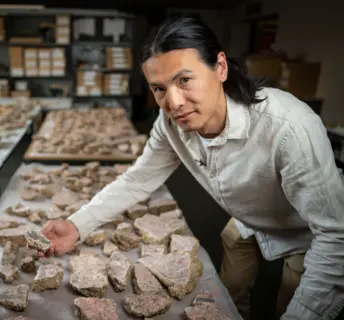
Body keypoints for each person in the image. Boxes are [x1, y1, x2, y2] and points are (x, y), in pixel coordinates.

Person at [41, 14, 344, 320]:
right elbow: (139, 179)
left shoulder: (291, 128)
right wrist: (77, 225)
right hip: (247, 216)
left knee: (294, 292)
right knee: (231, 287)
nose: (174, 103)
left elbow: (335, 236)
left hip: (304, 228)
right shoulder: (171, 124)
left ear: (221, 67)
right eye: (159, 89)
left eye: (184, 80)